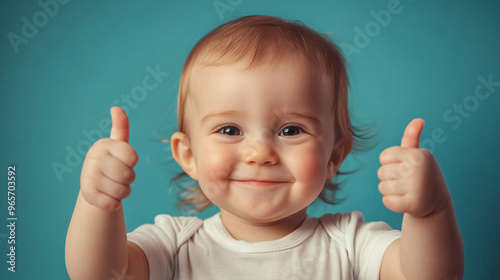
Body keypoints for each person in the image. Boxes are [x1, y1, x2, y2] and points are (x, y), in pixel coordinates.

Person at [65, 15, 464, 280]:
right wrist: (98, 204)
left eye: (291, 130)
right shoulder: (173, 246)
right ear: (188, 155)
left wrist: (431, 210)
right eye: (229, 129)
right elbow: (98, 273)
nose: (260, 153)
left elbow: (429, 275)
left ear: (334, 157)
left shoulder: (350, 243)